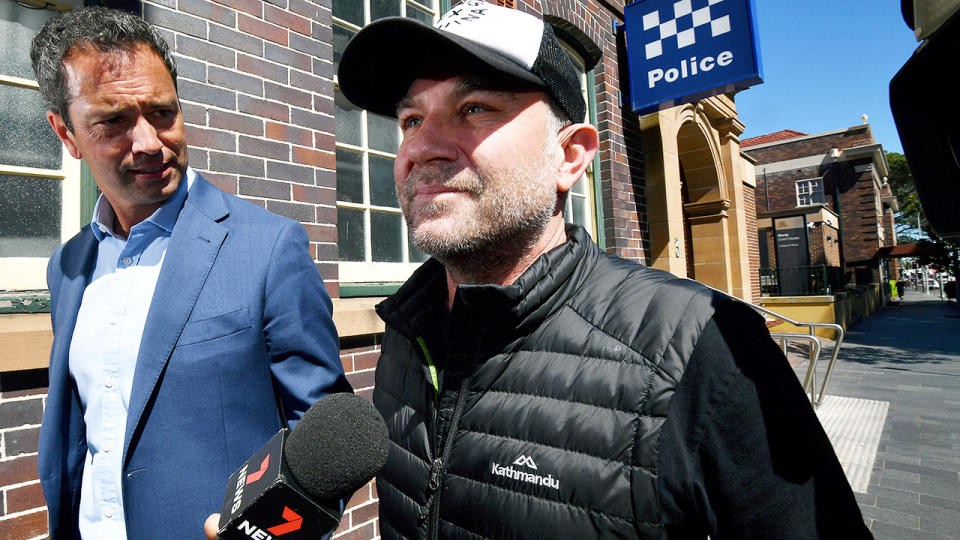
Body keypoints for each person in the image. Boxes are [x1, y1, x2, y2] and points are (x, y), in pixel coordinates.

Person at [337, 2, 871, 538]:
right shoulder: (408, 333)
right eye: (411, 120)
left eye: (475, 108)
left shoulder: (707, 351)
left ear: (569, 156)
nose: (420, 149)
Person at [31, 7, 351, 538]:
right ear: (66, 134)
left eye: (162, 113)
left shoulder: (269, 248)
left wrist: (267, 535)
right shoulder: (67, 266)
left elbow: (327, 442)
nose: (150, 142)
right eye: (112, 121)